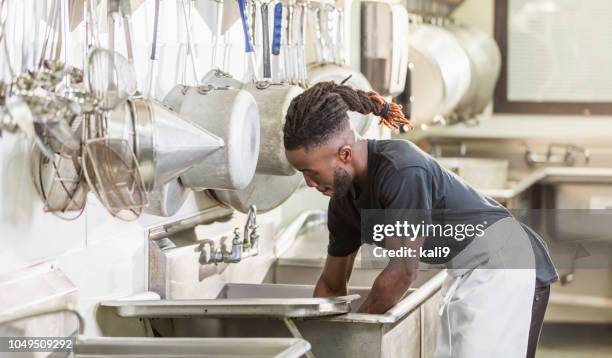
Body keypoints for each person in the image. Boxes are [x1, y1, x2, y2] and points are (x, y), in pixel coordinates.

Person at [282, 80, 558, 358]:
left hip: (504, 263)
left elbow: (402, 272)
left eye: (311, 172)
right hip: (467, 270)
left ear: (344, 154)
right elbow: (331, 285)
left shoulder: (402, 170)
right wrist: (314, 346)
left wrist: (352, 338)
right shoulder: (342, 202)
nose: (308, 183)